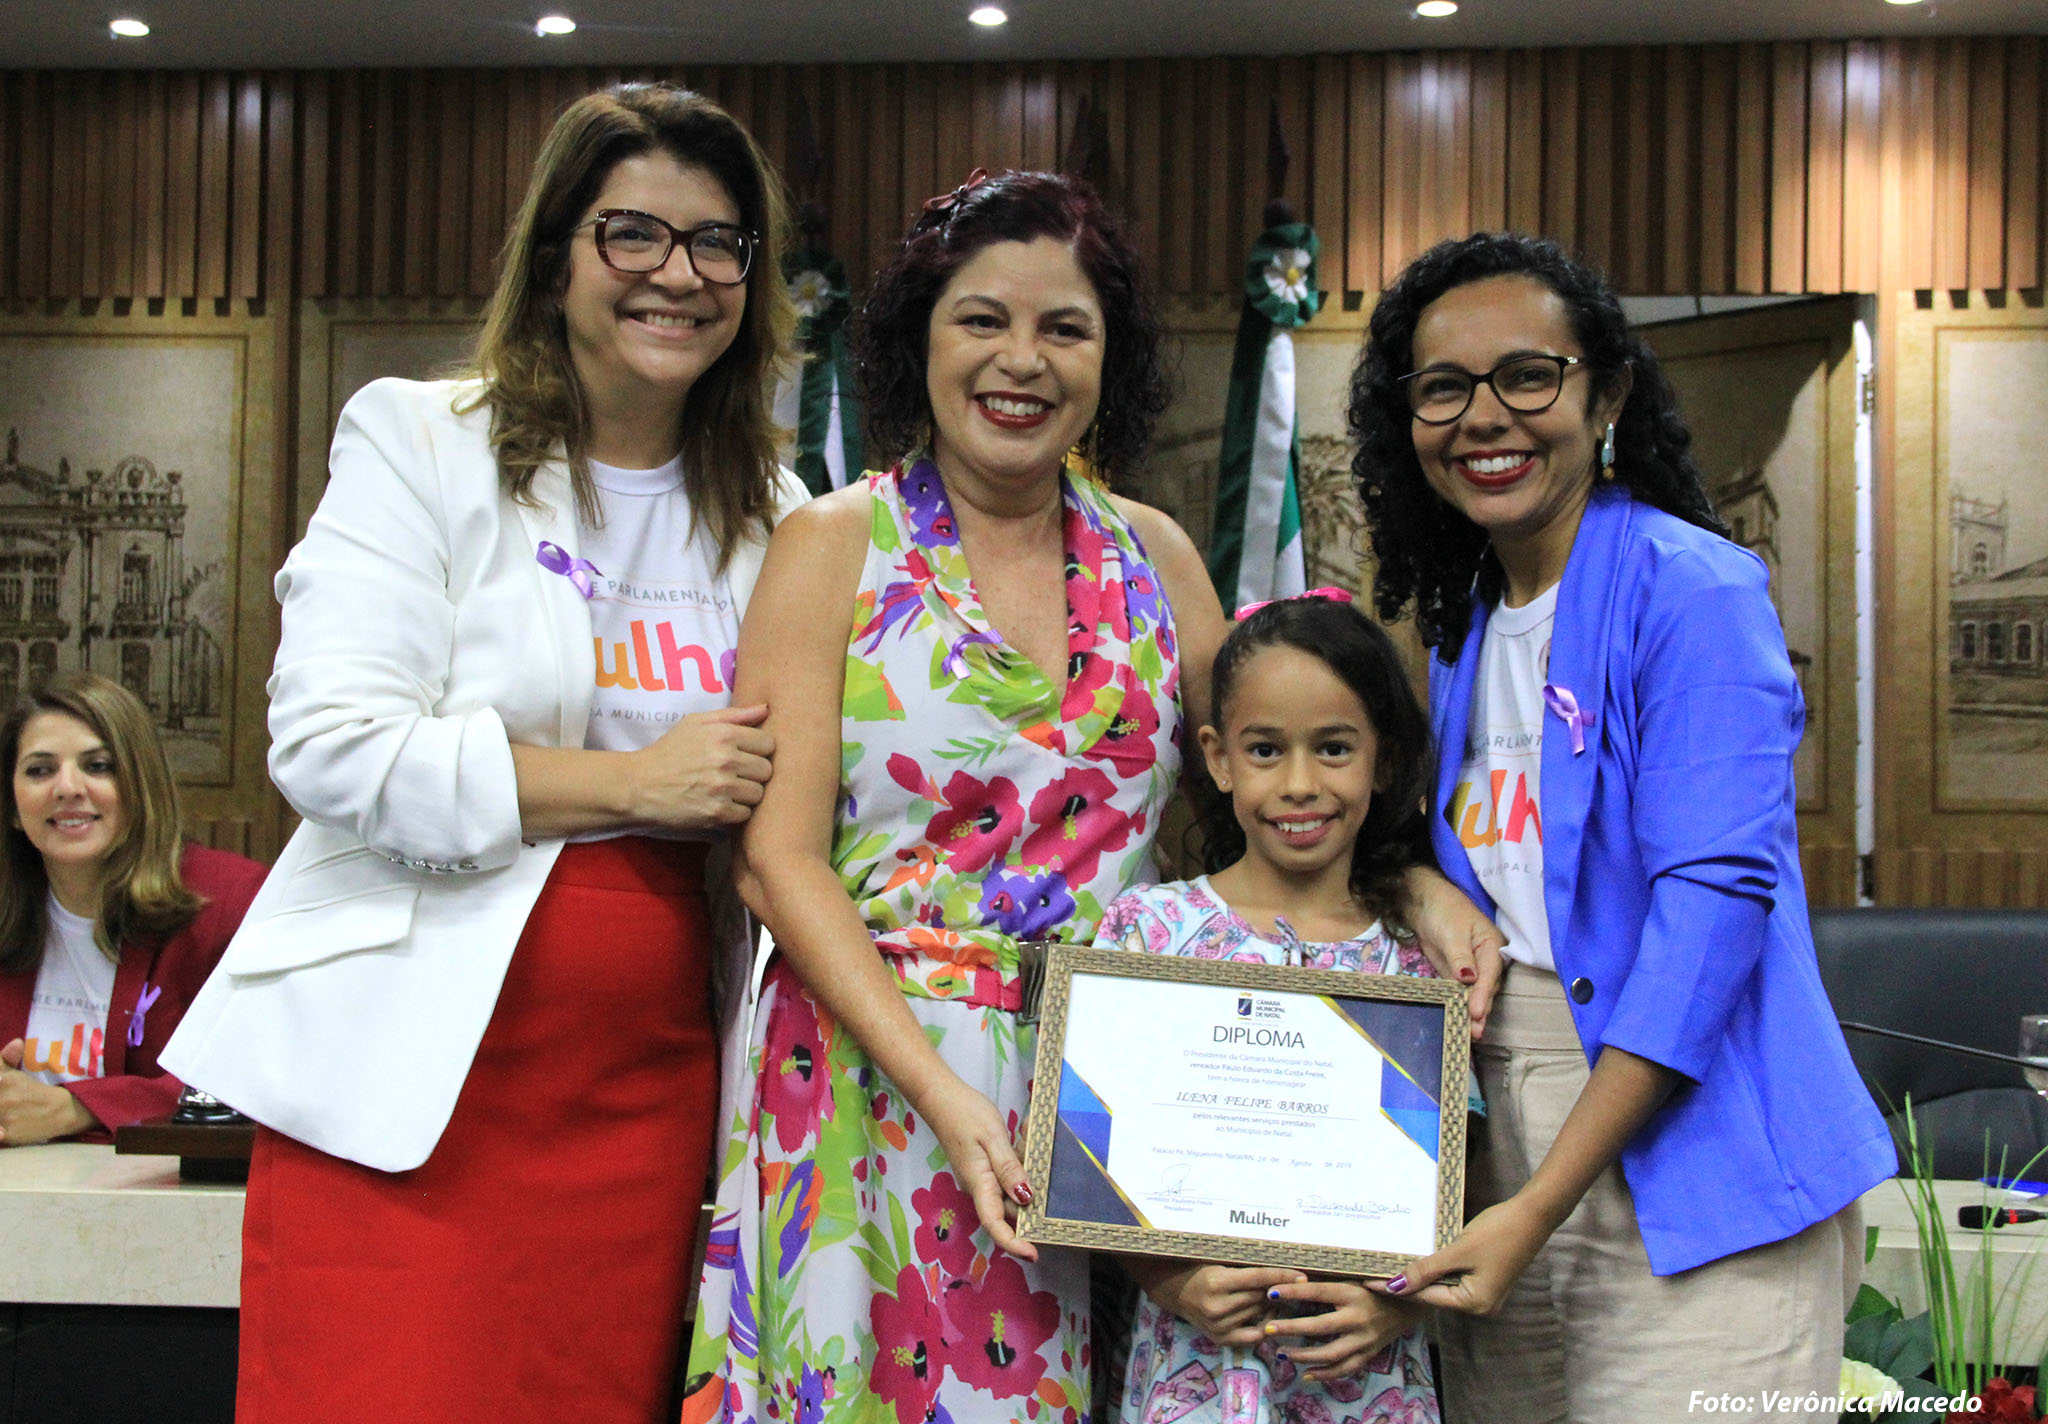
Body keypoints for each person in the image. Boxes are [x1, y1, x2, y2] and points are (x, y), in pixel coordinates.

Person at [161, 82, 808, 1424]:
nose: (678, 274)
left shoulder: (779, 513)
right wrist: (635, 783)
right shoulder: (419, 440)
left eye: (718, 243)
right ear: (558, 254)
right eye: (632, 233)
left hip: (651, 1097)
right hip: (404, 1092)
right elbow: (330, 744)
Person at [682, 166, 1221, 1424]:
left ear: (1109, 358)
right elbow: (774, 862)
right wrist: (947, 1093)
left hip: (1106, 1099)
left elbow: (1269, 780)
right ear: (917, 340)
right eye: (981, 319)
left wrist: (1407, 883)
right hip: (874, 1080)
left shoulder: (1155, 553)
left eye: (1063, 327)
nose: (1020, 360)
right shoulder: (834, 542)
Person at [1347, 232, 1895, 1424]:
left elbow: (1709, 920)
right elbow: (1473, 862)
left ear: (1604, 396)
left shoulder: (1691, 588)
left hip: (1695, 1156)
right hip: (1494, 1137)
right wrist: (1422, 886)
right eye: (1442, 387)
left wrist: (1538, 1203)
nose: (1482, 416)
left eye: (1525, 375)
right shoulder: (1460, 621)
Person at [1090, 594, 1448, 1424]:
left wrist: (1398, 1306)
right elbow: (1091, 1167)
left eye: (1334, 749)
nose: (1299, 784)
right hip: (1193, 1373)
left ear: (1383, 760)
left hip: (1366, 1380)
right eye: (1264, 750)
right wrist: (1173, 1282)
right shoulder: (1148, 934)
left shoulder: (1415, 962)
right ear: (1218, 760)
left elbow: (1450, 1182)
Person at [0, 672, 263, 1146]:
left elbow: (256, 1074)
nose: (67, 787)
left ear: (141, 787)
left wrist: (75, 1108)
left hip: (170, 1189)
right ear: (14, 808)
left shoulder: (230, 900)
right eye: (40, 770)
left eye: (98, 766)